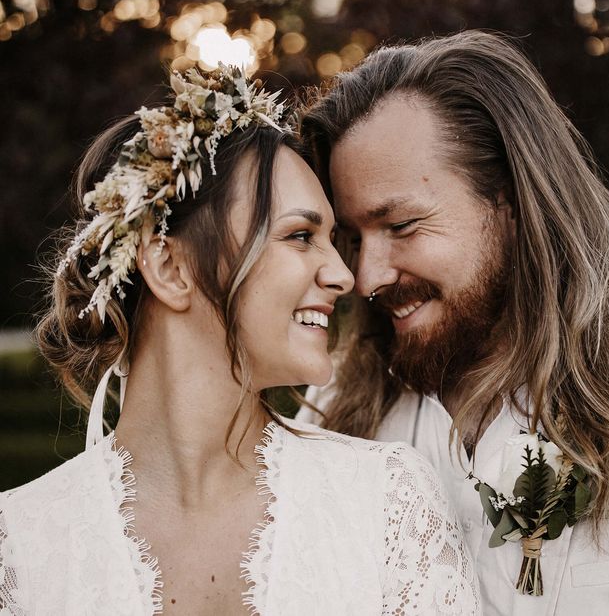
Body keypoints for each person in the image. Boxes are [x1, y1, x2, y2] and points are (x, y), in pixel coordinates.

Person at [298, 30, 609, 614]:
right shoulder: (334, 411)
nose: (366, 278)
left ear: (514, 204)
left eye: (402, 227)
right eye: (351, 238)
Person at [0, 66, 479, 614]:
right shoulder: (19, 548)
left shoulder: (389, 504)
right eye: (300, 236)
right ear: (171, 269)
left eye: (333, 240)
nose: (346, 277)